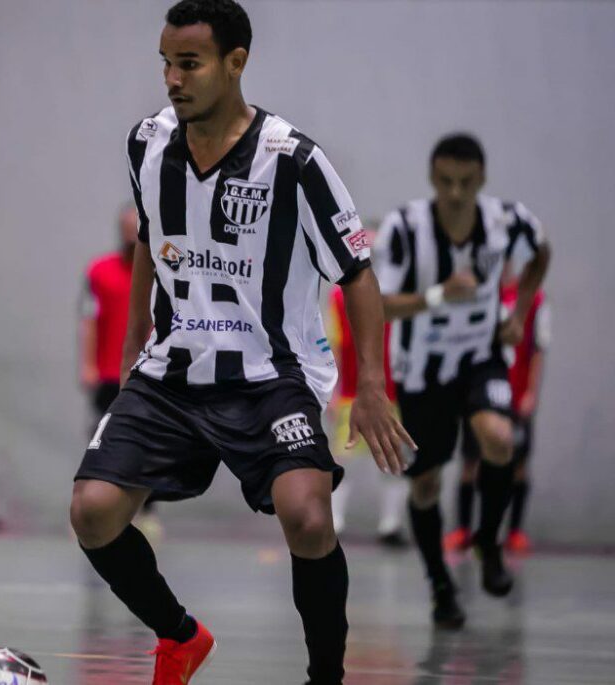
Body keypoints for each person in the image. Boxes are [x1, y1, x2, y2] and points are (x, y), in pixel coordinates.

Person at [69, 2, 412, 683]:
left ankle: (325, 676)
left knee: (308, 517)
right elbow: (149, 236)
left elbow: (359, 275)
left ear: (236, 62)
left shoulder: (295, 160)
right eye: (165, 62)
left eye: (188, 63)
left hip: (270, 376)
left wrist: (368, 385)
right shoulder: (147, 144)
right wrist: (136, 339)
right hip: (172, 371)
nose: (172, 77)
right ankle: (180, 636)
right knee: (92, 512)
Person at [374, 133, 550, 630]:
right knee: (427, 481)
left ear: (482, 180)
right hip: (423, 369)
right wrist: (437, 296)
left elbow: (541, 252)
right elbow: (378, 303)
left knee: (499, 437)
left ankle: (488, 542)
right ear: (433, 178)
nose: (455, 193)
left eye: (465, 184)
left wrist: (518, 313)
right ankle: (439, 585)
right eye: (446, 182)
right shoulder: (405, 228)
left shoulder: (506, 221)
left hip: (481, 355)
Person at [445, 281, 549, 554]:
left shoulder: (534, 298)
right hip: (479, 394)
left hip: (515, 394)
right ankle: (463, 530)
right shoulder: (478, 292)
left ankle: (513, 532)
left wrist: (530, 392)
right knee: (471, 460)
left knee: (518, 462)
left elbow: (538, 346)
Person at [79, 204, 162, 541]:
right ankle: (96, 510)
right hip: (109, 375)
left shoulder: (163, 270)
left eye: (136, 225)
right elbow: (88, 321)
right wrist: (87, 365)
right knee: (105, 441)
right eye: (126, 226)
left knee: (151, 444)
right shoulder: (99, 271)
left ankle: (148, 511)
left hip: (151, 373)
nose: (131, 231)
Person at [325, 225, 410, 547]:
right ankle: (334, 522)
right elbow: (333, 344)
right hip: (350, 392)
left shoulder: (399, 297)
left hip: (393, 394)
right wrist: (333, 391)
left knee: (393, 458)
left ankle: (391, 525)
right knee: (342, 457)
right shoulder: (338, 297)